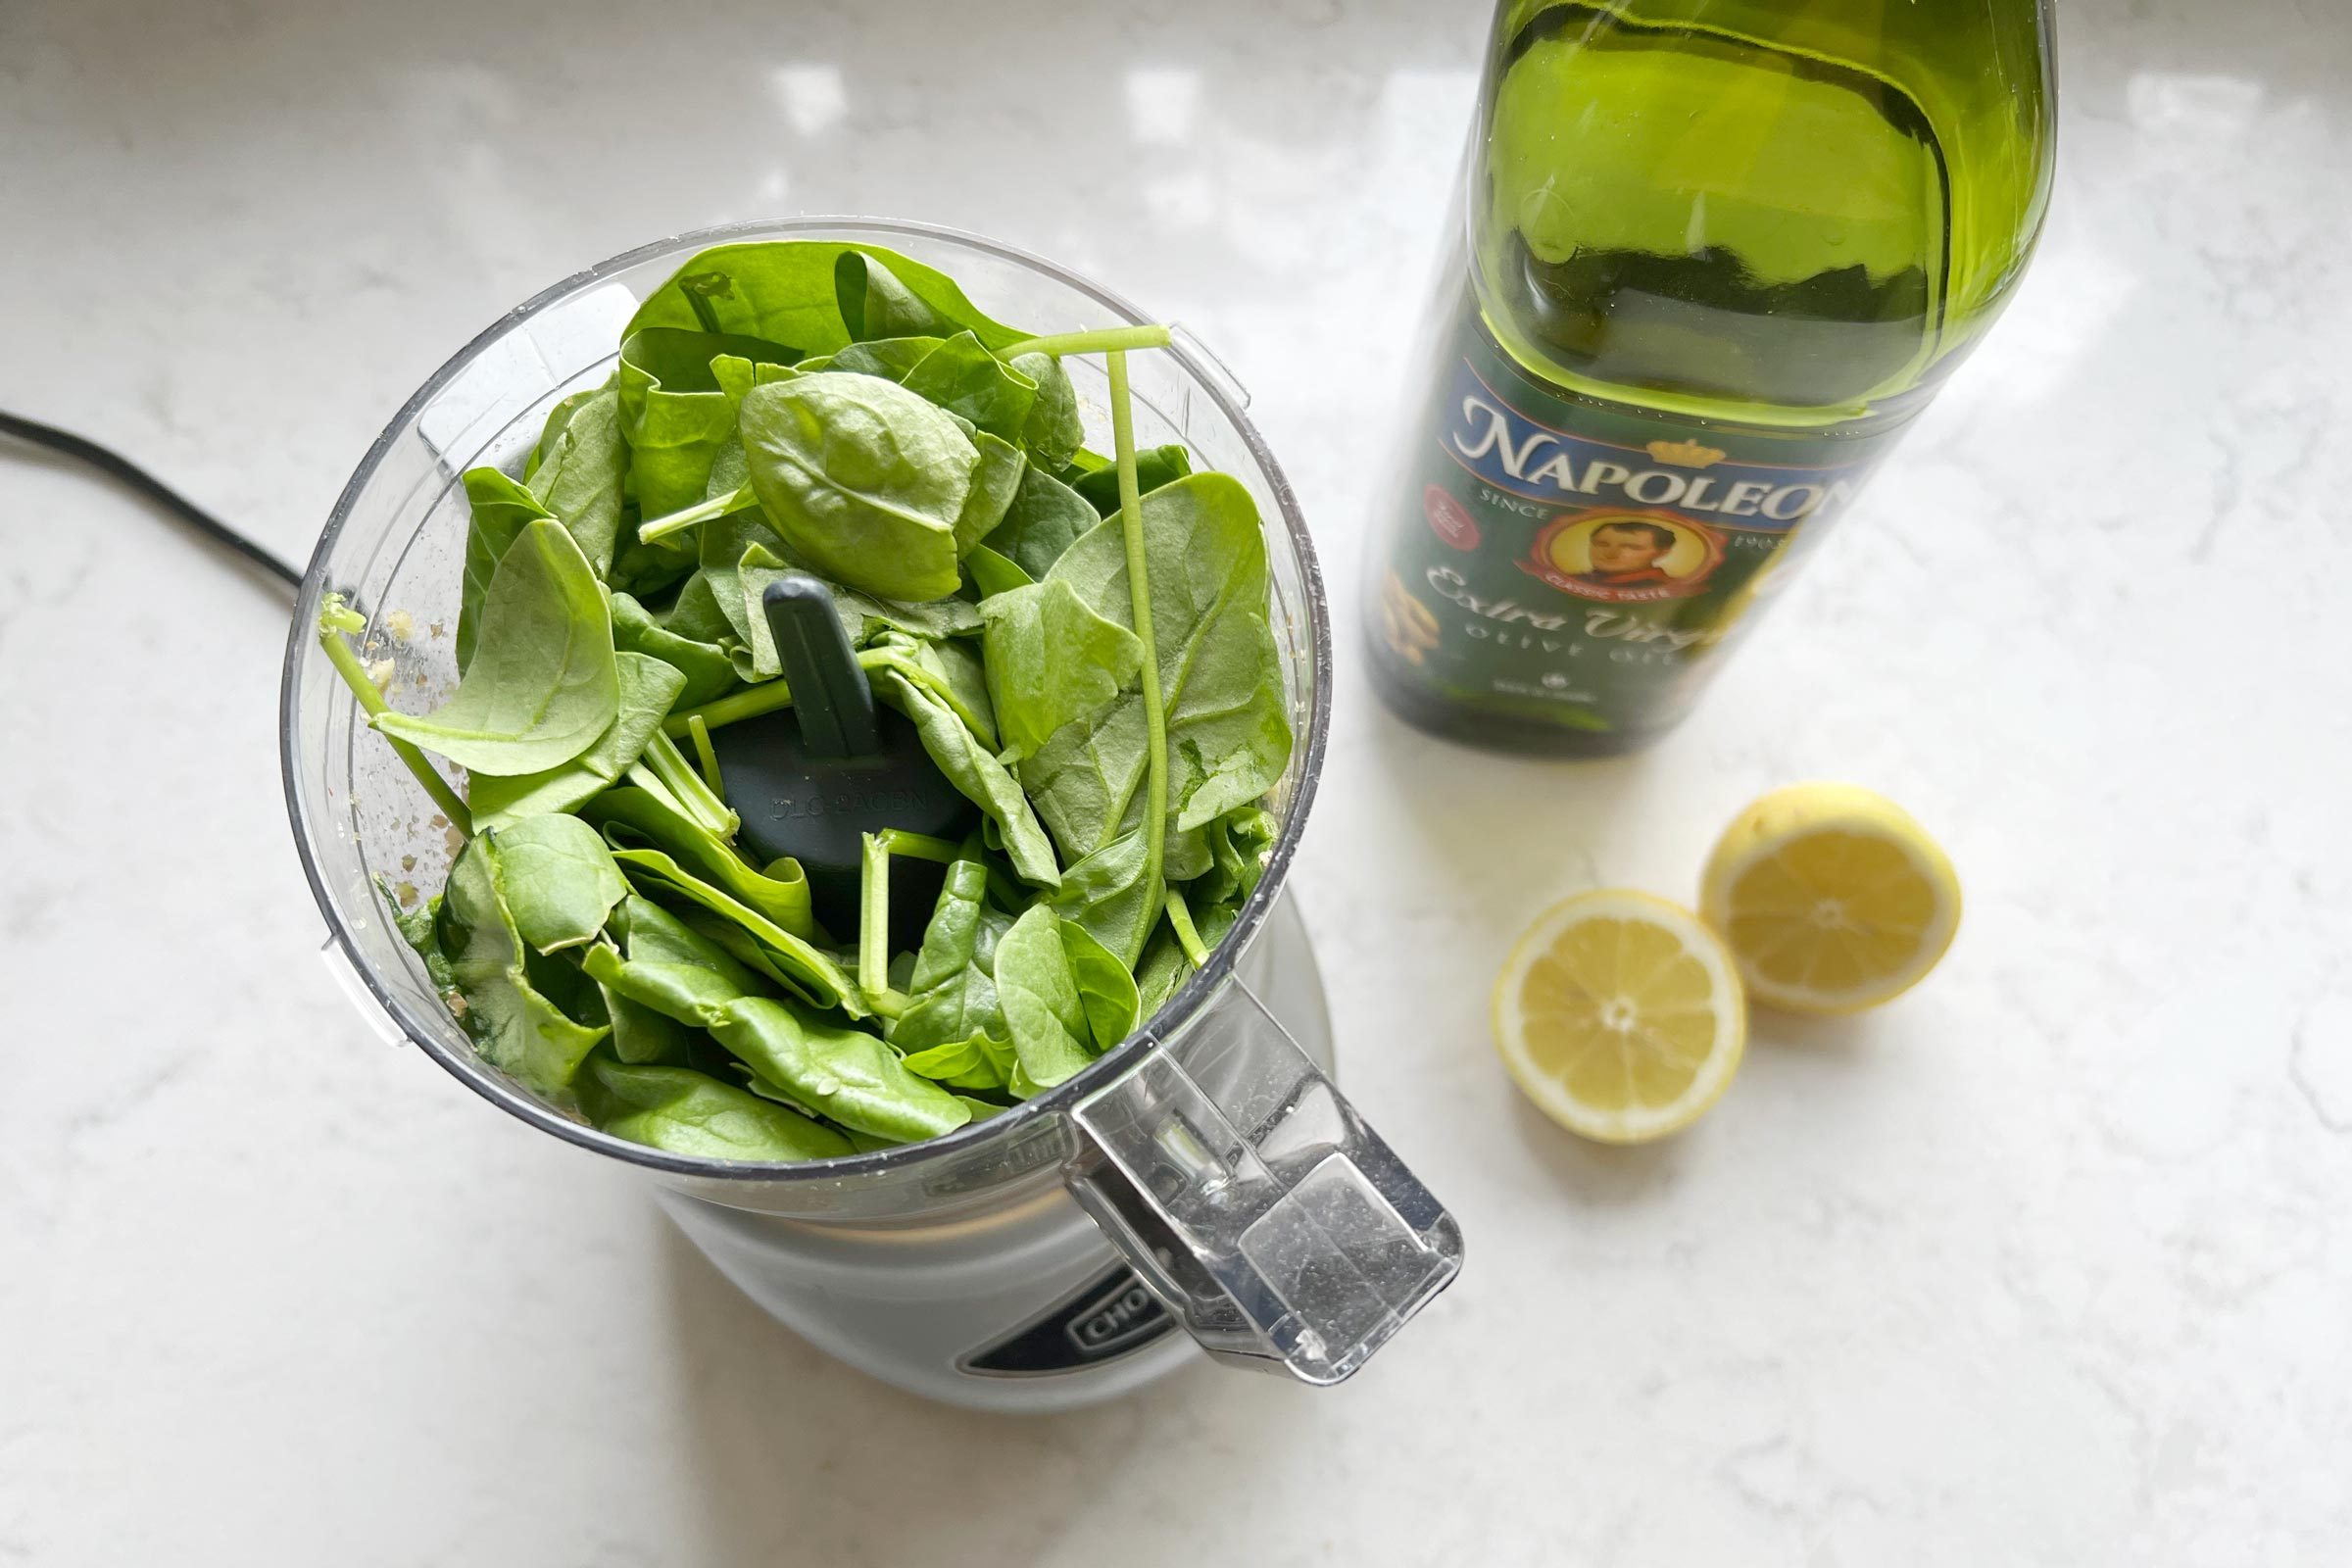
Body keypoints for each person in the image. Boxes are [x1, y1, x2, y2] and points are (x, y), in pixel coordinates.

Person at [1573, 519, 1680, 588]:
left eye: (1632, 547)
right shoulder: (1575, 579)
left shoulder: (1670, 588)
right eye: (1602, 544)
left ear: (1662, 553)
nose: (1611, 554)